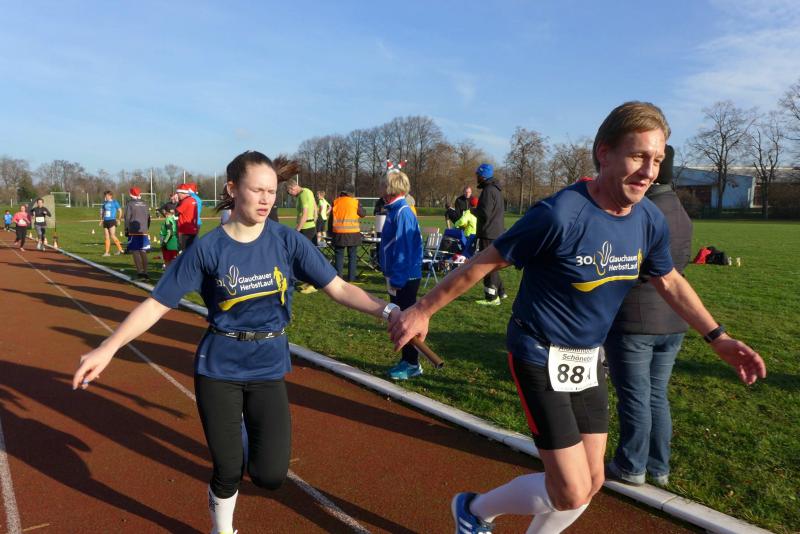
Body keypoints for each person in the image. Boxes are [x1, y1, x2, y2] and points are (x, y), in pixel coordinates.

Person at [388, 101, 766, 534]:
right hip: (537, 353)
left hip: (587, 358)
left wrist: (718, 337)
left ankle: (478, 515)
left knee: (592, 481)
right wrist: (422, 309)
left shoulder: (648, 218)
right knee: (569, 489)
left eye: (657, 160)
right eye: (639, 156)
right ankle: (474, 510)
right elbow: (485, 262)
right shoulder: (560, 214)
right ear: (604, 153)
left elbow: (669, 281)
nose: (649, 171)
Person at [73, 150, 400, 534]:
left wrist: (389, 311)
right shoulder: (207, 249)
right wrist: (109, 346)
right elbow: (157, 304)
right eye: (257, 190)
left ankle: (243, 437)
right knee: (228, 468)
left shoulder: (287, 242)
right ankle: (222, 529)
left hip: (267, 366)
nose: (266, 200)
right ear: (232, 189)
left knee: (269, 475)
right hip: (219, 368)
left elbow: (339, 287)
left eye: (271, 192)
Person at [603, 145, 692, 488]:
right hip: (674, 318)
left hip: (637, 318)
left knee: (636, 396)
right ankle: (658, 467)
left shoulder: (642, 210)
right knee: (656, 394)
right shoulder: (680, 210)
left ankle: (631, 465)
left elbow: (626, 265)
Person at [379, 168, 423, 380]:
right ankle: (407, 359)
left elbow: (403, 249)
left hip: (405, 277)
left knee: (406, 322)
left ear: (390, 188)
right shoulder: (394, 210)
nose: (380, 189)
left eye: (383, 185)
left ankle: (412, 363)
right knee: (399, 320)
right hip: (397, 276)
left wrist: (397, 279)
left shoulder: (403, 212)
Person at [473, 163, 506, 305]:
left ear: (483, 175)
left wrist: (473, 211)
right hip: (496, 232)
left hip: (488, 232)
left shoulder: (488, 190)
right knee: (492, 264)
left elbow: (485, 214)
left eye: (478, 174)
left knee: (487, 265)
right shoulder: (496, 190)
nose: (476, 177)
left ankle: (491, 297)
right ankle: (501, 292)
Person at [330, 185, 365, 283]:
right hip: (353, 234)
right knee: (352, 256)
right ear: (351, 193)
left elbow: (331, 219)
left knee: (339, 256)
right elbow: (363, 214)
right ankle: (351, 278)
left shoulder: (335, 202)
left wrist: (330, 232)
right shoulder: (355, 202)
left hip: (339, 233)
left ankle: (339, 278)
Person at [124, 187, 152, 281]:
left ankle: (140, 273)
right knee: (143, 251)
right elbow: (148, 218)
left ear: (131, 194)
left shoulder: (130, 204)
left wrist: (126, 229)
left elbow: (127, 218)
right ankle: (146, 273)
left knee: (135, 251)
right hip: (143, 230)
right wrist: (146, 228)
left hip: (134, 231)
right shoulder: (145, 203)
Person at [286, 178, 317, 245]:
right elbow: (315, 206)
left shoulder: (303, 195)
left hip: (305, 229)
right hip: (311, 227)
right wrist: (314, 219)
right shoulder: (308, 191)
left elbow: (305, 214)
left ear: (292, 188)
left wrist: (297, 230)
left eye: (289, 192)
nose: (291, 195)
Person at [176, 183, 200, 251]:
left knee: (184, 251)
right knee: (191, 250)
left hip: (184, 230)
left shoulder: (185, 201)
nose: (177, 195)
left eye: (178, 193)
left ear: (182, 193)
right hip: (193, 229)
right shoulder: (193, 200)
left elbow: (176, 212)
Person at [100, 191, 124, 256]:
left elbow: (120, 211)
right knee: (106, 237)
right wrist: (101, 220)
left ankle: (120, 250)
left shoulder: (115, 202)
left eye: (107, 195)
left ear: (111, 196)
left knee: (112, 236)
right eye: (105, 195)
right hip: (105, 221)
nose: (106, 197)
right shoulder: (104, 203)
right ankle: (107, 252)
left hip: (112, 220)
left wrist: (119, 219)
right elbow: (103, 212)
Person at [159, 202, 179, 268]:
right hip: (174, 243)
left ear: (166, 212)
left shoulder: (168, 219)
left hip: (168, 244)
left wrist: (164, 243)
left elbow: (169, 233)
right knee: (174, 261)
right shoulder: (174, 219)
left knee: (167, 261)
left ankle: (168, 273)